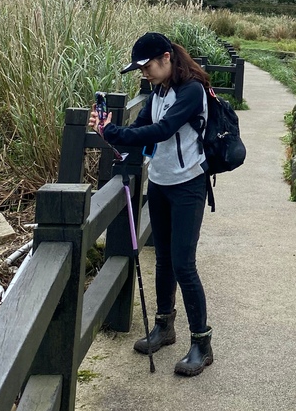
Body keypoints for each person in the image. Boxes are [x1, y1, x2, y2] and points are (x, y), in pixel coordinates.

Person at [88, 32, 214, 377]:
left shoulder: (191, 91)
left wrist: (114, 133)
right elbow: (141, 127)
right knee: (163, 260)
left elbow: (162, 130)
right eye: (140, 69)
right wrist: (108, 130)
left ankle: (202, 344)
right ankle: (164, 326)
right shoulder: (158, 90)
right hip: (159, 183)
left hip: (188, 186)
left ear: (166, 58)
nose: (144, 73)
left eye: (146, 66)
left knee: (184, 264)